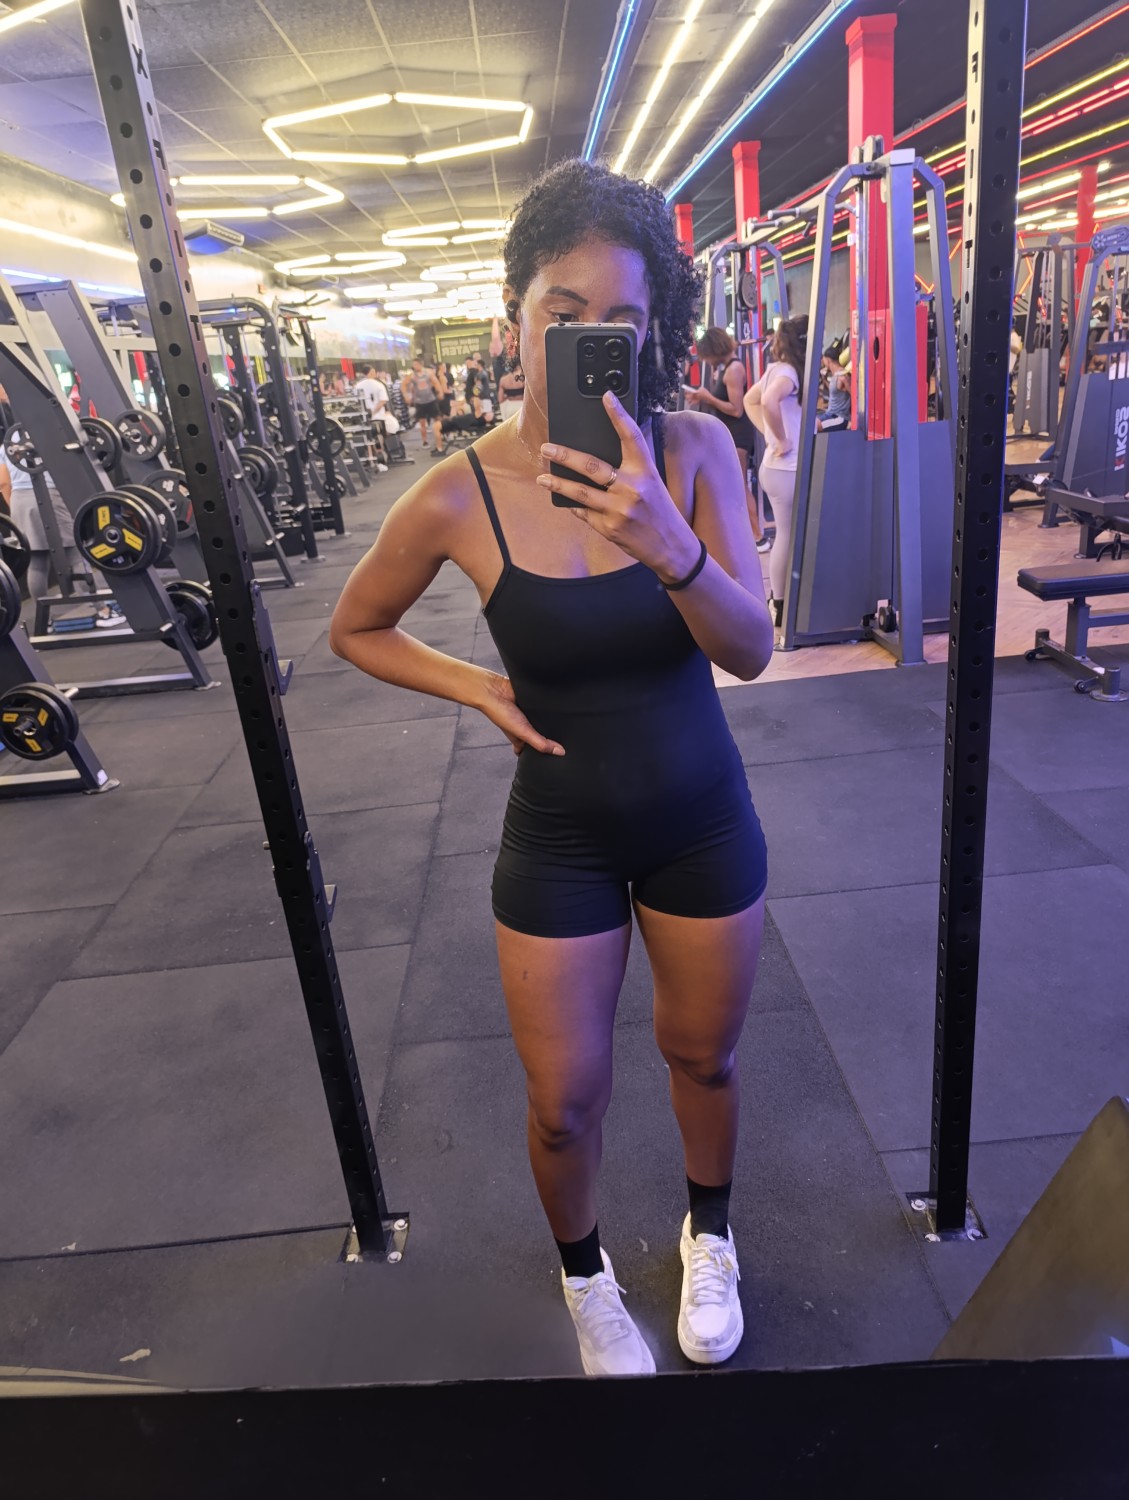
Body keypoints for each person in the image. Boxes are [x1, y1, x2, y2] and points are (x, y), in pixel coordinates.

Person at [330, 158, 773, 1378]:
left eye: (621, 322)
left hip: (700, 818)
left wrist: (670, 544)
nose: (590, 340)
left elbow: (749, 650)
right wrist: (474, 684)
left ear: (652, 332)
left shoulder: (694, 449)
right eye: (562, 313)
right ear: (513, 316)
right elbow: (357, 627)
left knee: (704, 1057)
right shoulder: (456, 492)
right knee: (563, 1103)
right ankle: (585, 1279)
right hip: (560, 835)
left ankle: (711, 1235)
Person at [744, 314, 807, 628]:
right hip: (786, 468)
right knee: (786, 535)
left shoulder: (777, 369)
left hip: (778, 467)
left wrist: (773, 435)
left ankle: (783, 601)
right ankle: (779, 604)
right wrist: (781, 439)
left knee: (789, 534)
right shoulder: (789, 372)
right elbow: (767, 401)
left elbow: (750, 400)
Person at [682, 327, 769, 552]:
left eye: (707, 355)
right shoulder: (725, 368)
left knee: (741, 485)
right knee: (733, 484)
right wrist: (703, 398)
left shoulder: (734, 369)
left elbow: (736, 409)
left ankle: (758, 536)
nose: (706, 360)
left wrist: (707, 397)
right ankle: (747, 534)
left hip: (738, 434)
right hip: (729, 433)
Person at [0, 443, 101, 620]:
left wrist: (18, 507)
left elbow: (3, 483)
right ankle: (102, 610)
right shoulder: (46, 435)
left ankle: (43, 620)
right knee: (76, 554)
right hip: (50, 494)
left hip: (19, 500)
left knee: (36, 562)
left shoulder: (5, 446)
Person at [406, 358, 445, 455]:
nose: (414, 366)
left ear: (420, 364)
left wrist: (440, 392)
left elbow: (436, 383)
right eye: (413, 365)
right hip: (419, 402)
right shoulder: (412, 376)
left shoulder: (429, 373)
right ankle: (425, 441)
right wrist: (407, 396)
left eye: (416, 364)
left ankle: (441, 436)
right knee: (422, 422)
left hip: (431, 400)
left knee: (438, 419)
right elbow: (406, 386)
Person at [816, 340, 850, 431]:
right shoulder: (835, 375)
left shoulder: (842, 376)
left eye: (823, 359)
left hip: (839, 417)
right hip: (829, 414)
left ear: (828, 360)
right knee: (810, 422)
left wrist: (853, 420)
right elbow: (835, 392)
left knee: (815, 426)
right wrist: (824, 378)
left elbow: (855, 396)